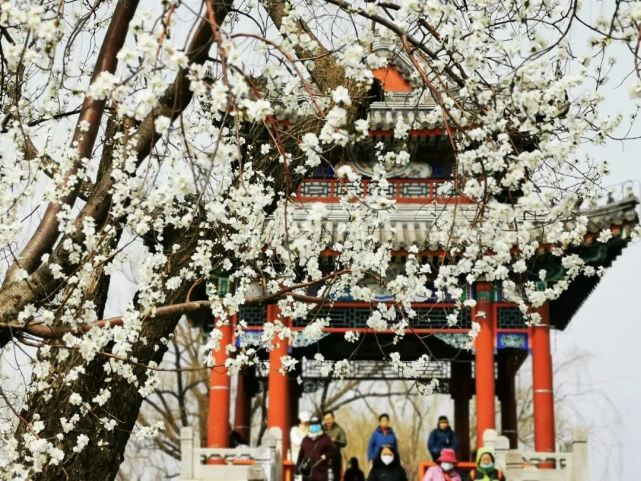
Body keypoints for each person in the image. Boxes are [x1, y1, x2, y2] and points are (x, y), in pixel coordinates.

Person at [296, 415, 337, 481]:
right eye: (312, 424)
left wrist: (326, 455)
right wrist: (297, 470)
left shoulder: (325, 438)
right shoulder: (305, 439)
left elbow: (333, 451)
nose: (314, 426)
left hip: (321, 474)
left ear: (320, 425)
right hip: (307, 474)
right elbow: (300, 456)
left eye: (316, 424)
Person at [323, 410, 347, 480]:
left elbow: (344, 442)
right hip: (323, 456)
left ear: (333, 418)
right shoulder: (321, 429)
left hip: (335, 456)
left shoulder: (339, 429)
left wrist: (335, 441)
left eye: (329, 419)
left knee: (336, 476)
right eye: (326, 419)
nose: (328, 421)